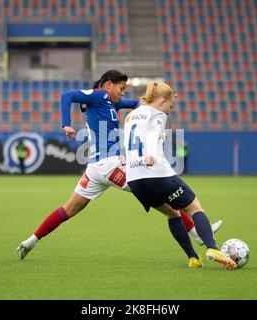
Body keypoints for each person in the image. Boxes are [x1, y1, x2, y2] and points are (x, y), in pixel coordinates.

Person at [17, 70, 221, 260]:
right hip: (112, 164)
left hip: (95, 169)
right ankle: (199, 233)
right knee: (164, 198)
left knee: (68, 209)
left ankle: (32, 240)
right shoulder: (99, 95)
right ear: (108, 85)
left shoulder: (111, 104)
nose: (123, 93)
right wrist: (66, 123)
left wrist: (158, 99)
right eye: (121, 88)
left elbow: (138, 105)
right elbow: (67, 96)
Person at [124, 81, 237, 270]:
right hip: (156, 173)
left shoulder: (131, 116)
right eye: (170, 105)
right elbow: (152, 135)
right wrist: (151, 153)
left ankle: (193, 258)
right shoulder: (157, 114)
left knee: (173, 213)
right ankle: (212, 248)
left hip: (135, 179)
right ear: (161, 100)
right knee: (194, 208)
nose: (170, 110)